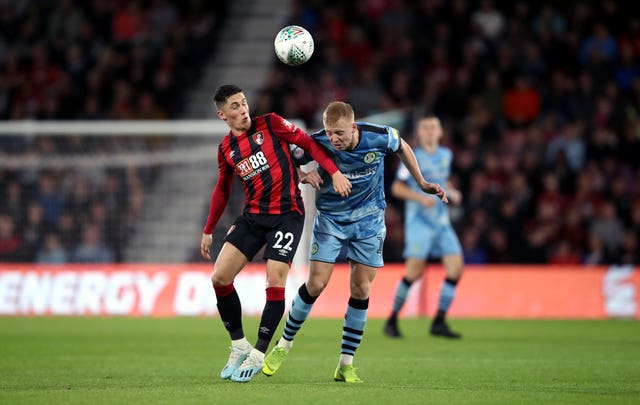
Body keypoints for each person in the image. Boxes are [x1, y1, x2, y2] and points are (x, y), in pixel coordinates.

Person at [261, 101, 447, 383]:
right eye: (330, 132)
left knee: (361, 288)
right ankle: (284, 344)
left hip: (369, 221)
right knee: (316, 284)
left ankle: (345, 364)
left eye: (340, 133)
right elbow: (282, 161)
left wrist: (421, 182)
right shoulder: (317, 143)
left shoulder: (378, 136)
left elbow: (403, 146)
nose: (334, 139)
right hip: (331, 220)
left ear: (353, 127)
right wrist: (302, 174)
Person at [199, 85, 352, 383]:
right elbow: (222, 190)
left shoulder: (271, 123)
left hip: (287, 215)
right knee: (219, 277)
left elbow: (307, 143)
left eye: (243, 103)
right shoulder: (226, 149)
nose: (242, 109)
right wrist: (208, 229)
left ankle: (258, 352)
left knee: (275, 280)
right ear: (222, 115)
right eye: (234, 106)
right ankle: (238, 344)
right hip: (253, 217)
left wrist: (332, 171)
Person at [383, 114, 465, 339]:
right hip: (419, 222)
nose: (430, 131)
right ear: (418, 133)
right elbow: (397, 189)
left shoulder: (446, 155)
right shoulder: (413, 156)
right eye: (425, 128)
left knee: (456, 268)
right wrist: (420, 198)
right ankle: (392, 319)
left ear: (440, 133)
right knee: (414, 271)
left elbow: (445, 180)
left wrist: (452, 191)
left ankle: (439, 321)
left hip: (441, 222)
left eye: (433, 127)